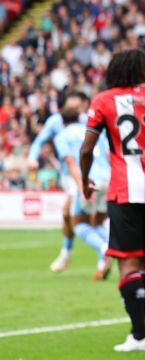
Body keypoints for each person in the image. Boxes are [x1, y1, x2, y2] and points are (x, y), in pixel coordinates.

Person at [80, 49, 145, 353]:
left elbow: (87, 149)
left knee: (128, 261)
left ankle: (139, 335)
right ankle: (137, 330)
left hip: (125, 189)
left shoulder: (104, 100)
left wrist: (85, 180)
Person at [28, 91, 89, 272]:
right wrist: (32, 158)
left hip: (84, 174)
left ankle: (72, 253)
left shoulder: (86, 120)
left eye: (78, 106)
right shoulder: (55, 122)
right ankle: (70, 253)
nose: (76, 110)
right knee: (74, 216)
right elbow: (40, 140)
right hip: (68, 174)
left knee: (70, 213)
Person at [53, 99, 112, 280]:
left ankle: (105, 248)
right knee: (97, 222)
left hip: (90, 179)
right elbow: (109, 155)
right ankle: (104, 257)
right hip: (108, 178)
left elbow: (71, 162)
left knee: (77, 223)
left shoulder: (62, 137)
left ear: (61, 121)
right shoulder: (95, 132)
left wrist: (81, 183)